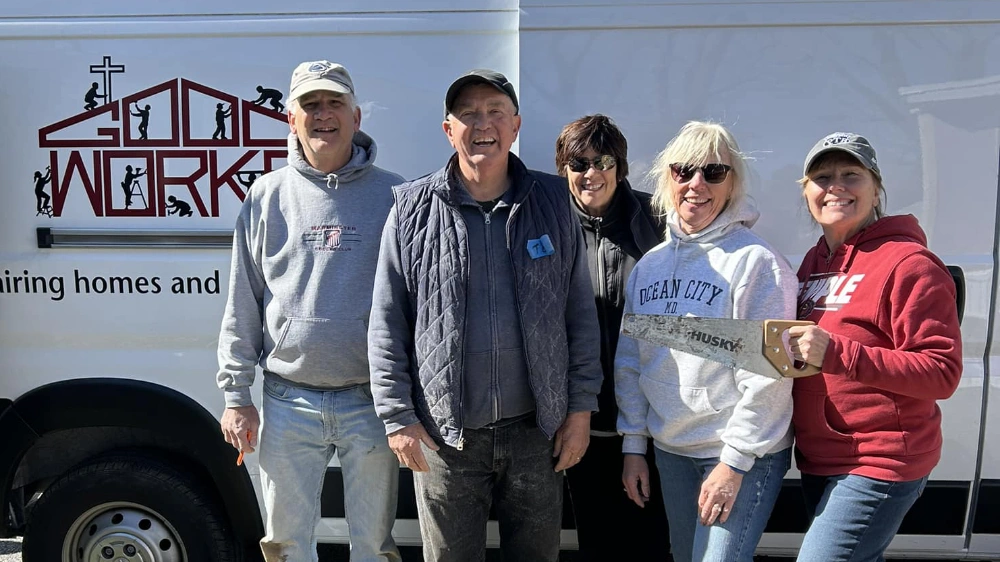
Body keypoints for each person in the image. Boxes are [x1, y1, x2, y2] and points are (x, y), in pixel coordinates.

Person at [368, 69, 602, 562]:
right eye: (468, 114)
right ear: (447, 129)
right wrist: (397, 418)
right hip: (445, 437)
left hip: (537, 434)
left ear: (515, 126)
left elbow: (580, 315)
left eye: (495, 112)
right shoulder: (411, 209)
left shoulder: (555, 202)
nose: (483, 124)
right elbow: (387, 322)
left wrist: (579, 409)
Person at [216, 60, 403, 562]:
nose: (324, 115)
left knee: (375, 545)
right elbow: (244, 298)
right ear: (290, 120)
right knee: (285, 545)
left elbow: (416, 302)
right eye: (311, 105)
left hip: (372, 401)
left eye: (335, 103)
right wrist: (236, 394)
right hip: (287, 400)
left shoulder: (397, 196)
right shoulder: (265, 195)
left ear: (356, 117)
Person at [616, 121, 797, 562]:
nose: (697, 184)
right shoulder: (650, 267)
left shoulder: (758, 264)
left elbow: (770, 377)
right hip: (672, 451)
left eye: (713, 172)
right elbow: (631, 363)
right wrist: (634, 446)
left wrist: (733, 463)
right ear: (668, 178)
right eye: (684, 171)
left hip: (740, 453)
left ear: (733, 183)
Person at [787, 132, 963, 562]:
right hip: (820, 458)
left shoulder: (910, 264)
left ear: (876, 187)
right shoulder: (813, 263)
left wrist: (837, 353)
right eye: (822, 176)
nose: (836, 186)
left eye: (852, 175)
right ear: (806, 190)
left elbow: (941, 372)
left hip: (879, 460)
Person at [553, 114, 669, 561]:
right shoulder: (548, 224)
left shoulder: (658, 220)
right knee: (597, 542)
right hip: (581, 422)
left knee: (655, 543)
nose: (591, 174)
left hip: (652, 422)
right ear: (564, 168)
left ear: (620, 165)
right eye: (578, 163)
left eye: (602, 160)